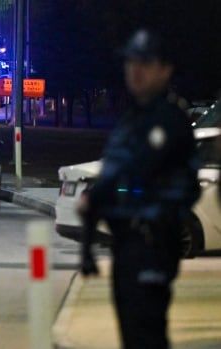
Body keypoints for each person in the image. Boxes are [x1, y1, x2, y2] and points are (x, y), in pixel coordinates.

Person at [78, 29, 200, 349]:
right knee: (133, 336)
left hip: (154, 242)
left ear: (165, 69)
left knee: (146, 335)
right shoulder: (132, 118)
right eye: (131, 62)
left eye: (145, 62)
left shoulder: (168, 120)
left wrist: (106, 196)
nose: (136, 70)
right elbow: (115, 181)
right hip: (128, 245)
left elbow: (132, 177)